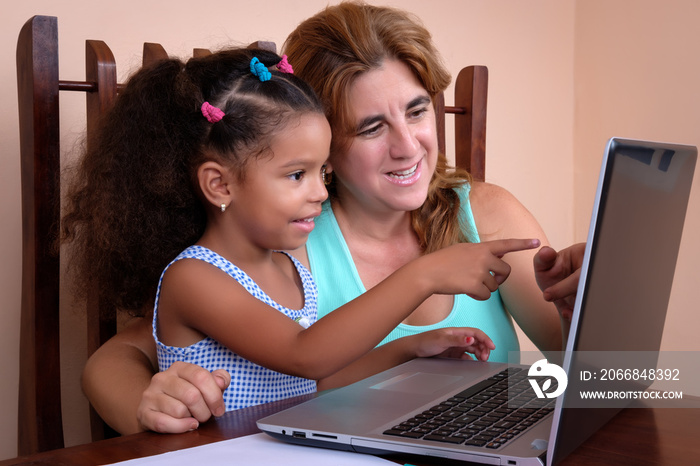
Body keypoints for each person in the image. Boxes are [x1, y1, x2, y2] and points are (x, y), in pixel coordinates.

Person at [79, 1, 586, 434]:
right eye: (370, 127)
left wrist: (593, 311)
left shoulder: (488, 213)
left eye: (416, 110)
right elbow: (115, 360)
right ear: (323, 139)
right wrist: (155, 409)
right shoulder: (281, 241)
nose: (407, 147)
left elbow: (606, 381)